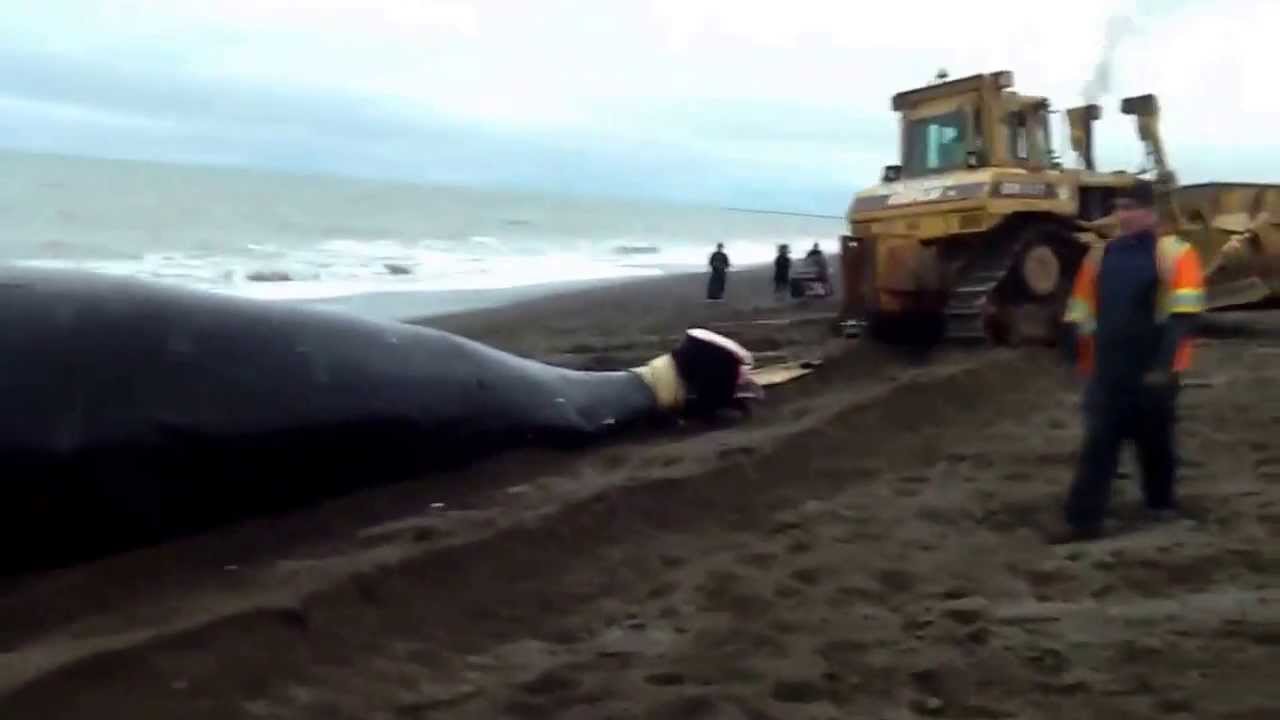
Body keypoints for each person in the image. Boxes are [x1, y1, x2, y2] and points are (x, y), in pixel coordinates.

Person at [1053, 180, 1206, 543]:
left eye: (1130, 207)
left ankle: (1160, 506)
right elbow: (1081, 307)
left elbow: (1183, 315)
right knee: (1098, 444)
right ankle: (1083, 520)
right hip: (1107, 370)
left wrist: (1164, 367)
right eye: (1118, 207)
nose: (1122, 215)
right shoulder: (1101, 255)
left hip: (1152, 368)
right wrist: (1074, 342)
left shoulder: (1176, 255)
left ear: (1151, 212)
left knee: (1155, 444)